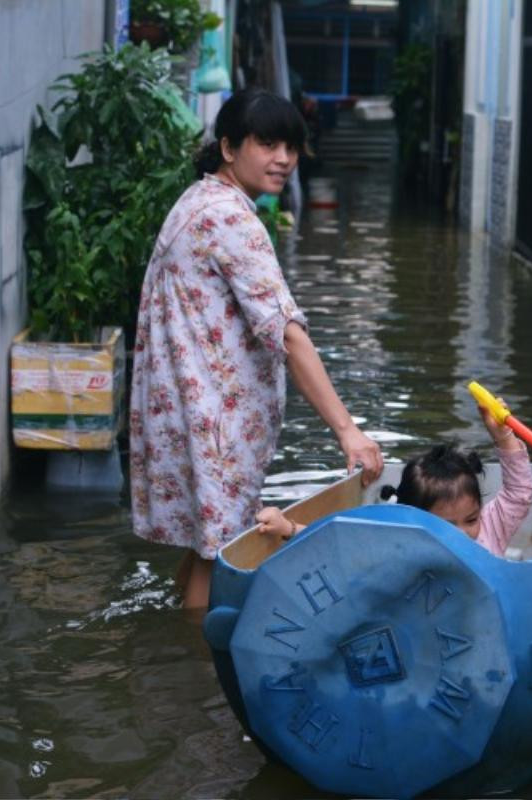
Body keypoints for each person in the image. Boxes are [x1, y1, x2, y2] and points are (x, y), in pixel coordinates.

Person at [129, 89, 383, 609]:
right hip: (214, 422)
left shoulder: (197, 199)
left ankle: (164, 651)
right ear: (228, 147)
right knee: (223, 557)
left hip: (192, 414)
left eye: (290, 147)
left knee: (207, 549)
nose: (284, 159)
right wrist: (347, 429)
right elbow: (287, 331)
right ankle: (194, 671)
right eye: (267, 144)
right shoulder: (230, 217)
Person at [257, 404, 532, 557]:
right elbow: (341, 543)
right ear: (413, 520)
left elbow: (519, 493)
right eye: (447, 525)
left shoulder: (490, 530)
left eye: (471, 520)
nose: (463, 533)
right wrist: (287, 527)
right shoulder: (401, 543)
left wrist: (503, 437)